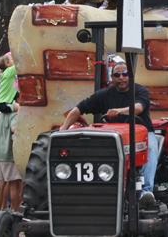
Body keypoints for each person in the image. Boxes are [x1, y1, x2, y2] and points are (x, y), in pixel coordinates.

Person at [60, 61, 157, 205]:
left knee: (151, 148)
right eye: (117, 75)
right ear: (112, 78)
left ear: (130, 76)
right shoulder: (103, 95)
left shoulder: (141, 91)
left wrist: (120, 111)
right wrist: (62, 130)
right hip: (113, 138)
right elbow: (77, 110)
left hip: (140, 135)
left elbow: (138, 108)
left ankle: (146, 192)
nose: (121, 77)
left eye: (125, 74)